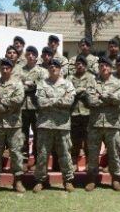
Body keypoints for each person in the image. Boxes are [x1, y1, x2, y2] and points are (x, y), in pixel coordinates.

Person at [33, 58, 76, 193]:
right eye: (51, 66)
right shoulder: (41, 84)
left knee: (64, 154)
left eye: (56, 66)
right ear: (48, 69)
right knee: (43, 154)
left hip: (62, 125)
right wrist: (59, 100)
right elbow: (40, 102)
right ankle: (41, 180)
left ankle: (68, 180)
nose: (53, 68)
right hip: (45, 125)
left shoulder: (68, 84)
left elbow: (69, 102)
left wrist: (50, 100)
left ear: (60, 69)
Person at [0, 58, 26, 194]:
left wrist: (1, 100)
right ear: (0, 68)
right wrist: (5, 107)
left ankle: (17, 181)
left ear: (11, 69)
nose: (5, 69)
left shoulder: (17, 83)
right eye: (3, 67)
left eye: (8, 67)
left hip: (14, 125)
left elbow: (19, 99)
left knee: (16, 152)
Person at [84, 56, 120, 192]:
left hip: (112, 124)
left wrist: (101, 96)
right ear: (99, 68)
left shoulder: (118, 83)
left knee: (114, 153)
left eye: (106, 65)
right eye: (101, 66)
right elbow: (91, 101)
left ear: (110, 68)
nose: (104, 68)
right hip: (95, 124)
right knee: (93, 153)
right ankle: (92, 179)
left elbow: (119, 99)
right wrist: (109, 98)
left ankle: (116, 179)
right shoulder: (92, 82)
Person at [20, 46, 47, 170]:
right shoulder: (20, 71)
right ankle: (24, 161)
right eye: (28, 54)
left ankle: (37, 161)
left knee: (38, 135)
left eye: (33, 54)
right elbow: (18, 85)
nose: (30, 56)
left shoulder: (42, 71)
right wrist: (28, 87)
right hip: (23, 107)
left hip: (36, 107)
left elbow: (44, 85)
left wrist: (32, 85)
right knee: (23, 135)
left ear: (36, 57)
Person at [69, 55, 96, 170]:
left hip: (87, 112)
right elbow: (68, 92)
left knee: (88, 139)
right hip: (74, 112)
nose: (79, 66)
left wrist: (79, 92)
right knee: (75, 139)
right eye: (78, 64)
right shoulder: (70, 78)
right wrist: (79, 91)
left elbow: (92, 92)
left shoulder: (91, 78)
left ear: (86, 66)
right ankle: (74, 162)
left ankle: (89, 163)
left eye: (82, 64)